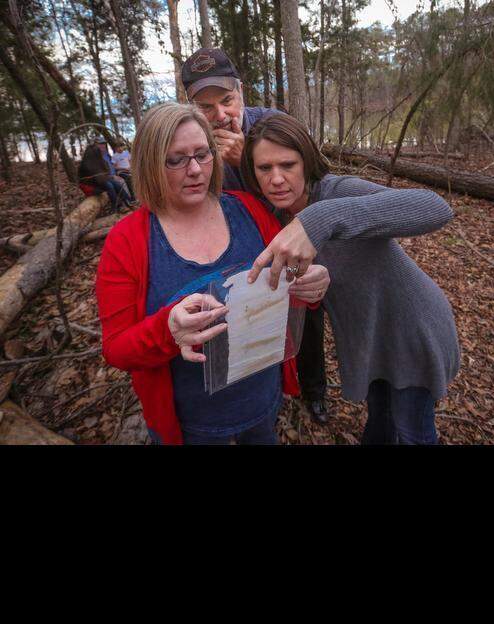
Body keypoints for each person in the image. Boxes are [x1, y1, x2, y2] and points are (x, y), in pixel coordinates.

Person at [95, 102, 330, 446]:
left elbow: (284, 291)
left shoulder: (249, 210)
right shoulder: (127, 241)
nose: (195, 170)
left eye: (203, 154)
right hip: (193, 423)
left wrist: (310, 288)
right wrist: (168, 330)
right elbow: (116, 349)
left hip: (262, 400)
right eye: (176, 159)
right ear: (149, 163)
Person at [242, 113, 460, 445]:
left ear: (306, 161)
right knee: (380, 421)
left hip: (412, 329)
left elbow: (434, 207)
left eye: (288, 165)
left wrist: (320, 218)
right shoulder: (274, 216)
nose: (276, 179)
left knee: (412, 430)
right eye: (264, 168)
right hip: (369, 337)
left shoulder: (336, 191)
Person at [181, 46, 331, 423]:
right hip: (239, 252)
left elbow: (301, 190)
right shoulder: (193, 146)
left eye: (227, 101)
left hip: (290, 239)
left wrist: (245, 160)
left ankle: (314, 390)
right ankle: (264, 386)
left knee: (307, 316)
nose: (220, 115)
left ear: (241, 92)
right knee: (249, 317)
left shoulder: (270, 123)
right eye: (206, 107)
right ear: (190, 107)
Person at [78, 138, 131, 209]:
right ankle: (116, 206)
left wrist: (110, 176)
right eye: (100, 144)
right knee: (110, 186)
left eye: (103, 144)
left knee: (116, 184)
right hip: (92, 183)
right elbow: (94, 175)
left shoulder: (102, 156)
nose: (102, 146)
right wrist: (108, 177)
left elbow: (106, 169)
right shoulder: (89, 157)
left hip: (102, 178)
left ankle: (128, 201)